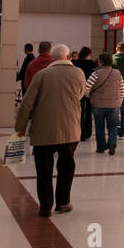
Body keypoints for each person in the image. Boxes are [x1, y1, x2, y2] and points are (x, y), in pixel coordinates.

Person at [15, 44, 86, 217]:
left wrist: (20, 127)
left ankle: (45, 206)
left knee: (44, 169)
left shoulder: (42, 75)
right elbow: (81, 94)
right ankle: (63, 203)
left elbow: (27, 103)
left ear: (53, 59)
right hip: (70, 129)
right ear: (68, 57)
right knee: (67, 166)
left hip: (43, 130)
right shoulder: (78, 73)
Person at [84, 52, 124, 154]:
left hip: (98, 104)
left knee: (99, 126)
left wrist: (89, 97)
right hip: (114, 104)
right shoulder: (117, 73)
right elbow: (122, 89)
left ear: (100, 62)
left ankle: (101, 147)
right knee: (112, 125)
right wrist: (119, 101)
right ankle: (112, 142)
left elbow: (87, 88)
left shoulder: (96, 73)